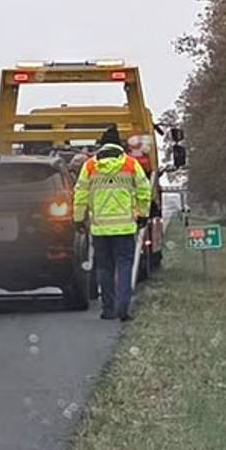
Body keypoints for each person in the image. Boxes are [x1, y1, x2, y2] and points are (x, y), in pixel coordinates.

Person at [73, 125, 152, 321]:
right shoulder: (131, 164)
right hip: (125, 228)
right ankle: (123, 306)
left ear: (101, 145)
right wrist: (143, 214)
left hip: (100, 228)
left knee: (104, 268)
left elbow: (80, 194)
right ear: (120, 146)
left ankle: (108, 309)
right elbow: (144, 191)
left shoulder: (90, 166)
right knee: (124, 266)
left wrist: (78, 218)